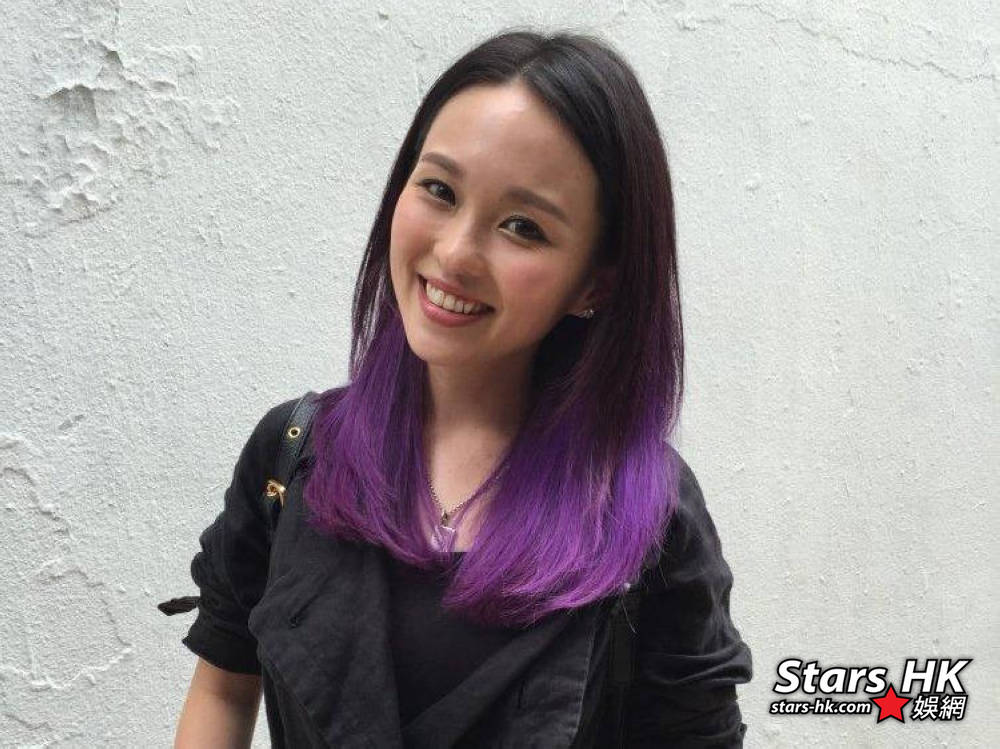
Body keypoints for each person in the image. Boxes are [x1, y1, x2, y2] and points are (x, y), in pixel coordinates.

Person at [165, 29, 752, 748]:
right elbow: (224, 688)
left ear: (595, 283)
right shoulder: (292, 454)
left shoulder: (647, 513)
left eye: (522, 227)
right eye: (439, 190)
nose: (455, 253)